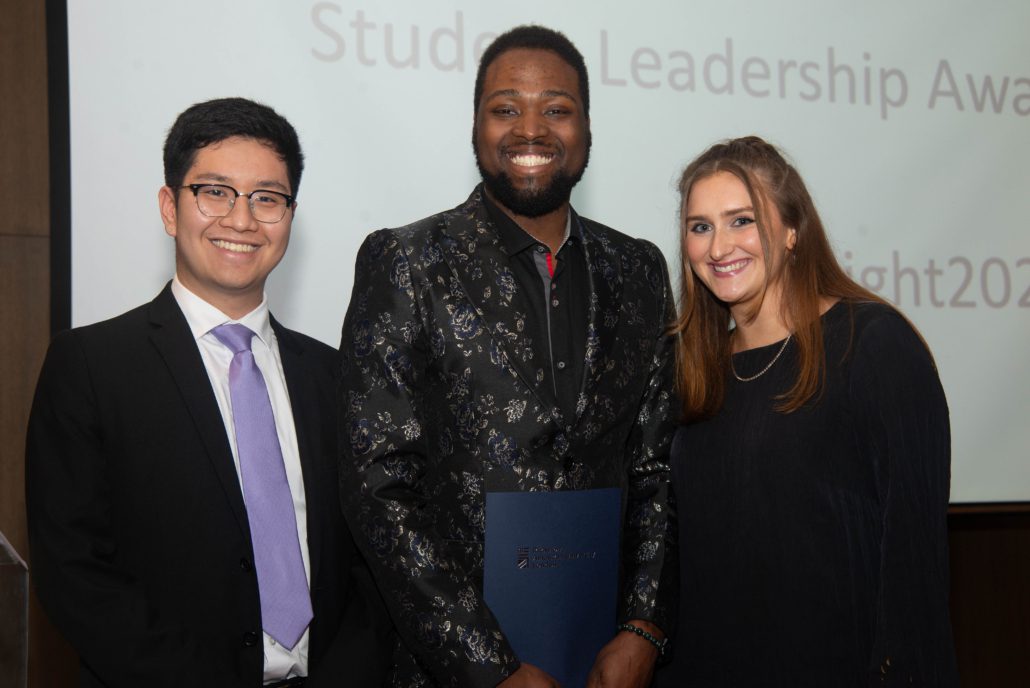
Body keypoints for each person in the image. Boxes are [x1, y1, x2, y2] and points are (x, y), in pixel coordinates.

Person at [338, 25, 678, 688]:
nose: (531, 129)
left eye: (556, 108)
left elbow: (654, 467)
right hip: (451, 670)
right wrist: (489, 667)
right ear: (475, 126)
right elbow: (377, 487)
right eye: (505, 109)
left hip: (608, 663)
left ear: (586, 129)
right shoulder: (406, 262)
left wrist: (644, 627)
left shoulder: (639, 269)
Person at [26, 97, 391, 687]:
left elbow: (367, 562)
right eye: (215, 192)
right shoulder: (90, 366)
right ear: (171, 207)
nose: (242, 220)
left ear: (290, 217)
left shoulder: (333, 374)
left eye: (267, 199)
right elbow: (74, 573)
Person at [655, 136, 958, 686]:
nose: (718, 246)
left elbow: (915, 568)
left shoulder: (873, 345)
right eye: (700, 227)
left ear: (793, 230)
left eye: (741, 220)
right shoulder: (696, 370)